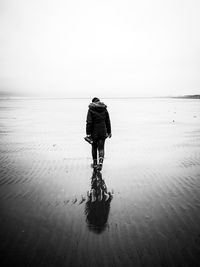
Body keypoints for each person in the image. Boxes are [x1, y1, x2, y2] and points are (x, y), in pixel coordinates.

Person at [86, 97, 111, 170]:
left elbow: (89, 122)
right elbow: (108, 121)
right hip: (103, 131)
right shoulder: (104, 109)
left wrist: (88, 133)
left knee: (94, 147)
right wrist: (109, 132)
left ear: (92, 102)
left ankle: (94, 163)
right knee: (101, 148)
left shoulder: (91, 110)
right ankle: (100, 164)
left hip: (94, 132)